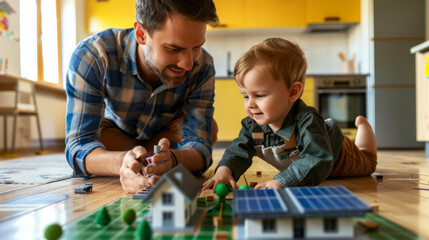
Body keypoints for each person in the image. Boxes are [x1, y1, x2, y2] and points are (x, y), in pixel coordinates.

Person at [65, 0, 219, 193]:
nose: (188, 64)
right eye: (173, 49)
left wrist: (171, 159)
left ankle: (149, 158)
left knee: (209, 128)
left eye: (196, 47)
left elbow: (201, 146)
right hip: (116, 137)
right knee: (100, 141)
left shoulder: (203, 65)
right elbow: (79, 146)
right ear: (141, 34)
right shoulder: (92, 56)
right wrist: (123, 162)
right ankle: (143, 158)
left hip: (166, 137)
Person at [203, 38, 377, 190]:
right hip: (306, 171)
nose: (250, 104)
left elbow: (317, 158)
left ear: (293, 92)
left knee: (368, 163)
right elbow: (237, 151)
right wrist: (224, 170)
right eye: (246, 96)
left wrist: (283, 181)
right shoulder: (252, 126)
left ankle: (363, 127)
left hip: (339, 158)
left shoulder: (307, 121)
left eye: (260, 95)